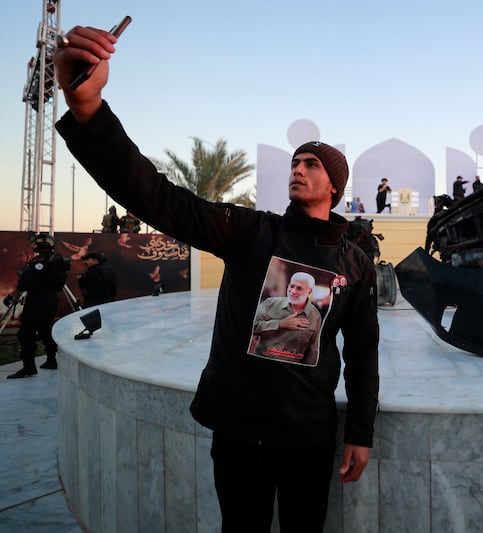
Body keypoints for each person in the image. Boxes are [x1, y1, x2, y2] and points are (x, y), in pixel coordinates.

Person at [54, 26, 378, 532]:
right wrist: (89, 109)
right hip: (240, 429)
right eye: (294, 162)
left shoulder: (355, 265)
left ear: (333, 185)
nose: (298, 168)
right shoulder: (250, 232)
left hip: (309, 435)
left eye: (312, 164)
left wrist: (360, 431)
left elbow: (362, 354)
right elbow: (157, 197)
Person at [5, 233, 70, 378]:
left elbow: (26, 283)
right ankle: (51, 360)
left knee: (25, 333)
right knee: (46, 330)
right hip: (51, 299)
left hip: (36, 300)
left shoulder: (38, 261)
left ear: (40, 245)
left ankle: (28, 367)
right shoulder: (58, 259)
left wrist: (12, 296)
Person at [251, 271, 322, 365]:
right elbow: (253, 327)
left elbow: (313, 351)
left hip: (290, 373)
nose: (293, 291)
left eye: (299, 288)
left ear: (309, 291)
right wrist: (280, 324)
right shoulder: (270, 303)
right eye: (291, 286)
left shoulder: (315, 316)